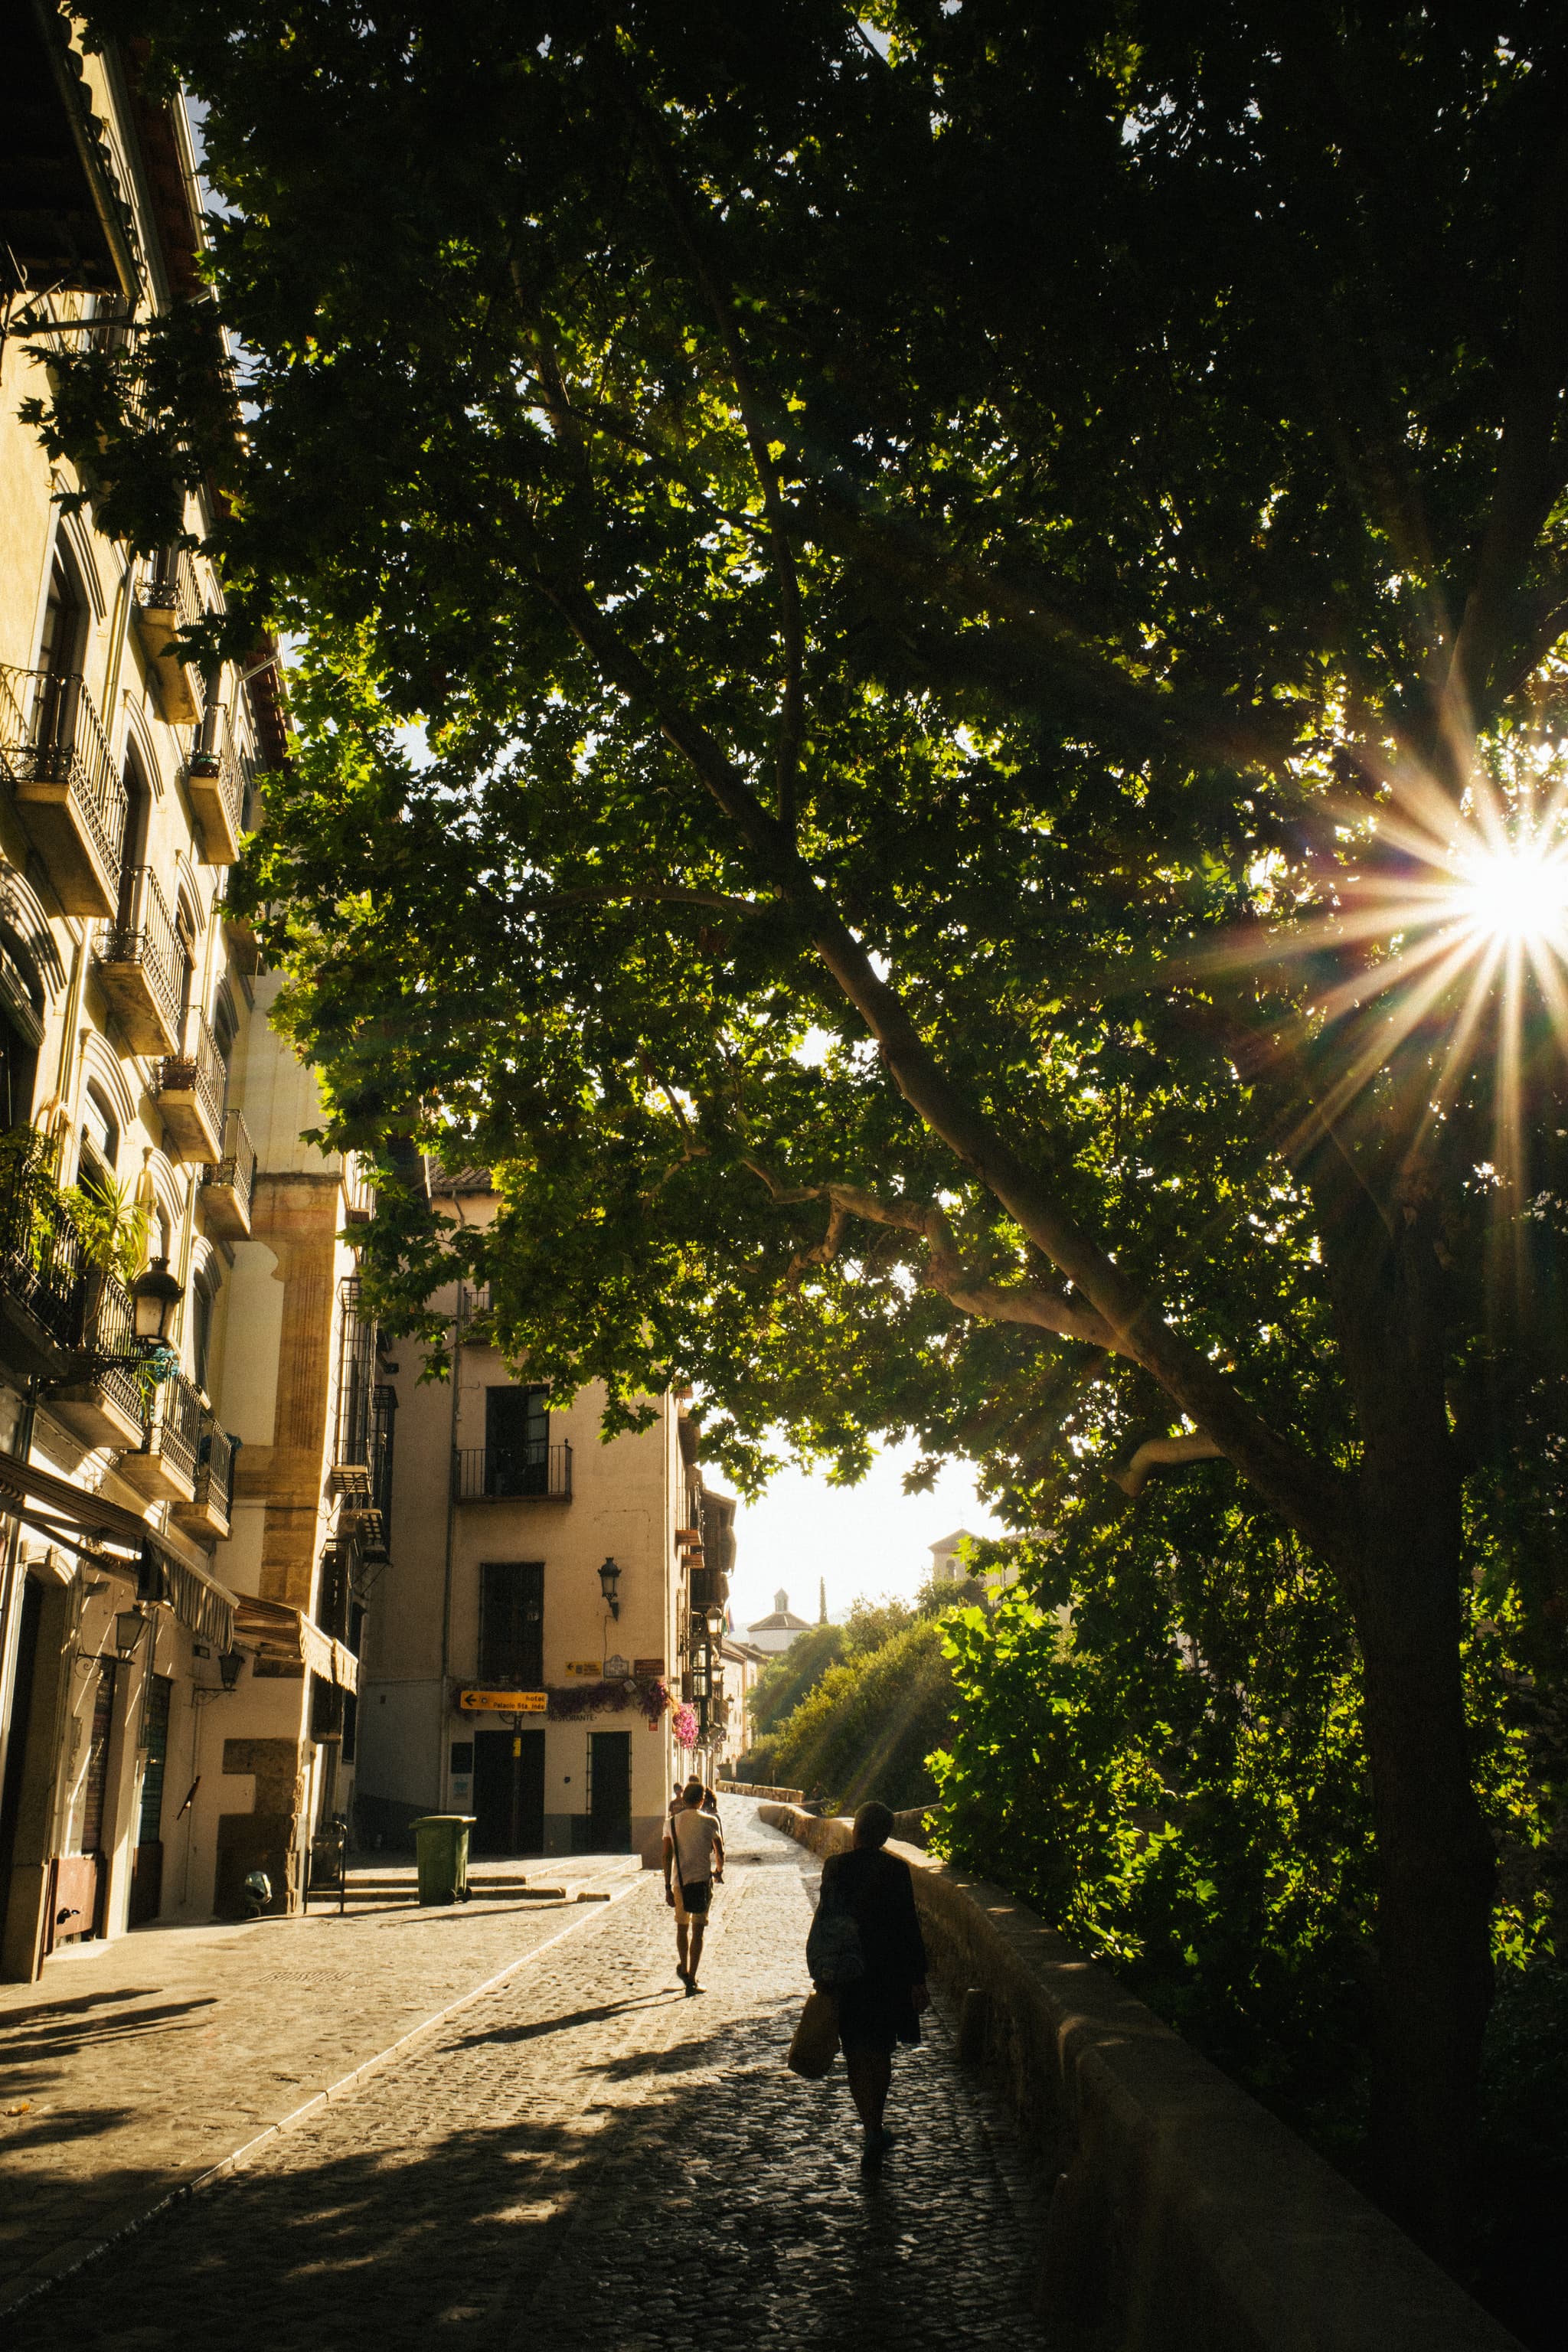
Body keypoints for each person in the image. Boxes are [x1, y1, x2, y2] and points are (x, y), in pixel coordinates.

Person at [814, 1799, 929, 2171]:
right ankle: (876, 2123)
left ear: (857, 1831)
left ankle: (869, 2127)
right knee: (880, 2051)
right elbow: (909, 1928)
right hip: (887, 1974)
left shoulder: (836, 1868)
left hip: (849, 1974)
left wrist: (822, 1970)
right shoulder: (897, 1871)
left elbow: (826, 1922)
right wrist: (917, 1980)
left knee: (854, 2052)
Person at [663, 1777, 724, 1994]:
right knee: (698, 1932)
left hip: (679, 1882)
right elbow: (720, 1852)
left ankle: (683, 1966)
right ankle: (692, 1979)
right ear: (702, 1800)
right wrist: (718, 1871)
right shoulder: (710, 1821)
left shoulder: (670, 1823)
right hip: (701, 1883)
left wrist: (667, 1887)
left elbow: (667, 1855)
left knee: (682, 1927)